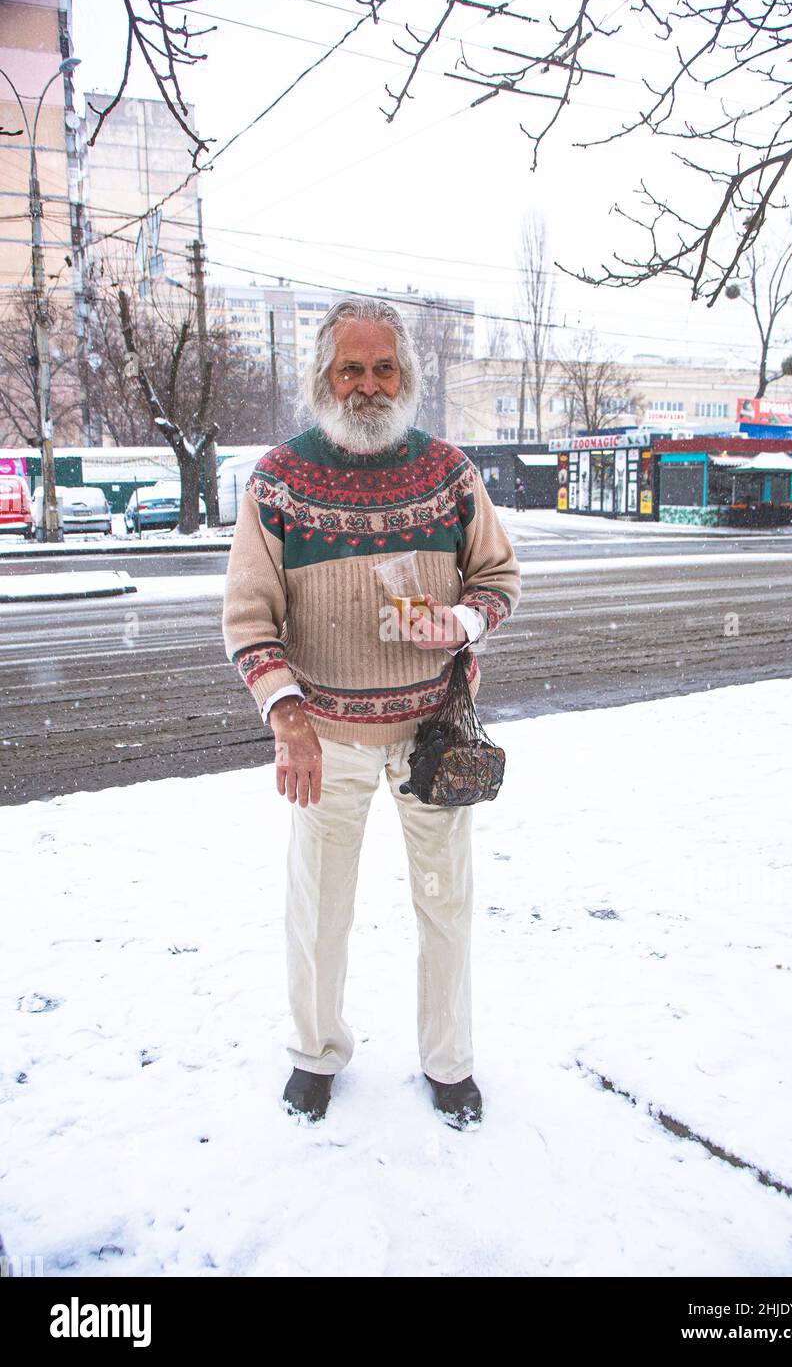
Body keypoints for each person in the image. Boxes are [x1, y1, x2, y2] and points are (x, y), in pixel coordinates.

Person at [222, 296, 521, 1130]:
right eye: (350, 369)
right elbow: (248, 618)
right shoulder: (279, 479)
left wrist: (461, 622)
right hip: (329, 740)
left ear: (405, 375)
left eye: (383, 368)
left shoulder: (448, 473)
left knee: (445, 903)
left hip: (436, 735)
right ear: (325, 376)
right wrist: (287, 719)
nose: (367, 385)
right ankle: (316, 1053)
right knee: (319, 908)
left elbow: (498, 579)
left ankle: (449, 1062)